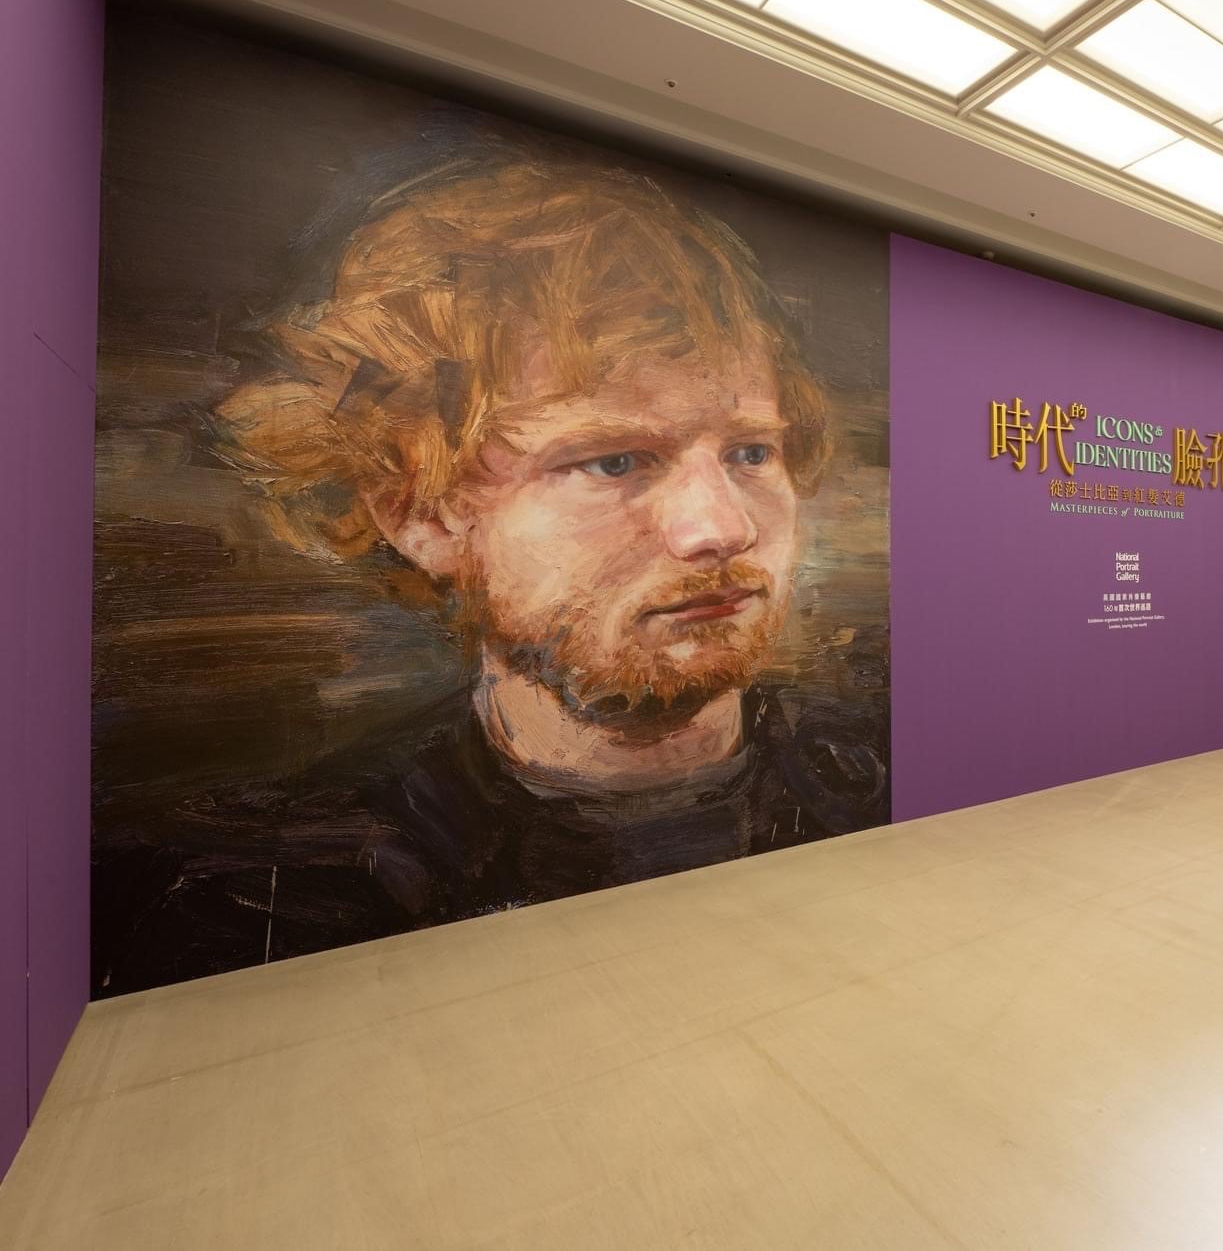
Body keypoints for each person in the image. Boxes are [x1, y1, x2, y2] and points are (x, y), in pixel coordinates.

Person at [92, 155, 887, 991]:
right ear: (421, 515)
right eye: (613, 461)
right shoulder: (271, 898)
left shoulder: (878, 783)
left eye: (751, 452)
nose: (721, 527)